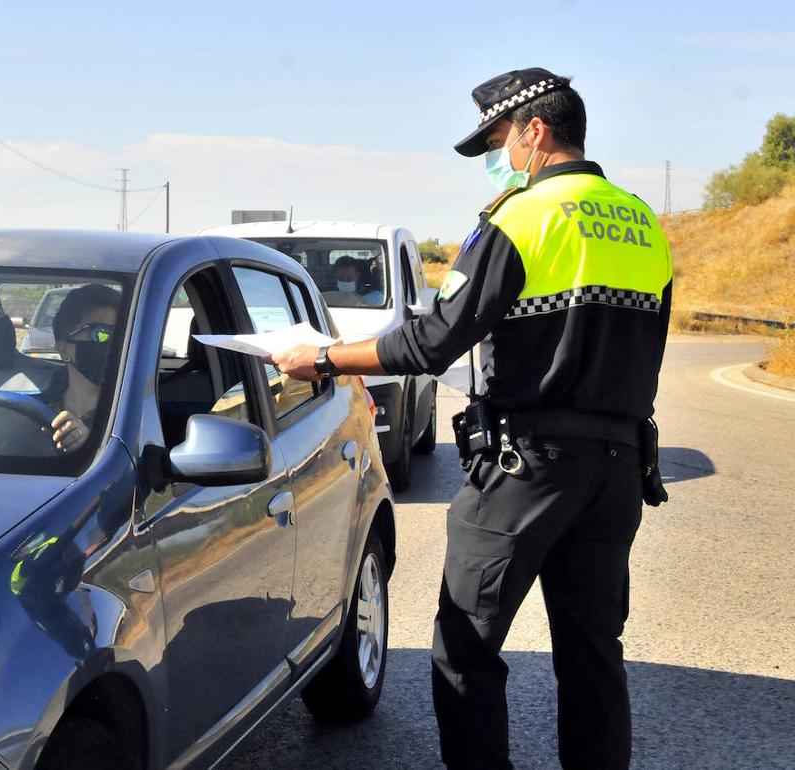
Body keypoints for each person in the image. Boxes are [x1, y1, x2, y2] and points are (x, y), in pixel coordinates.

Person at [272, 68, 672, 770]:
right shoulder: (643, 224)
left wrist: (327, 358)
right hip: (616, 471)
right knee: (592, 657)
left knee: (465, 648)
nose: (499, 158)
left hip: (529, 469)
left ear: (535, 132)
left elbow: (429, 342)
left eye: (498, 141)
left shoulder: (519, 218)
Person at [42, 283, 122, 453]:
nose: (112, 343)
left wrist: (91, 447)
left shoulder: (135, 410)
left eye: (120, 333)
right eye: (101, 333)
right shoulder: (37, 410)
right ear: (64, 349)